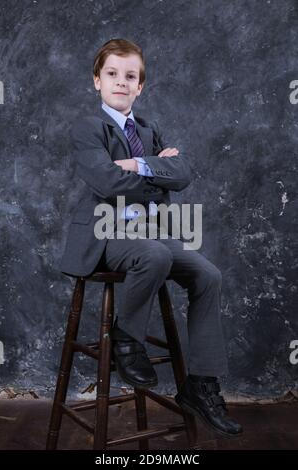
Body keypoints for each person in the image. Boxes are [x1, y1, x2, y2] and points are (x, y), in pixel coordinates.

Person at [59, 38, 242, 436]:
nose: (121, 82)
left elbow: (183, 174)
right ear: (97, 81)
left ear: (140, 86)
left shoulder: (147, 129)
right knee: (155, 256)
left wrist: (137, 163)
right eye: (112, 74)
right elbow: (107, 183)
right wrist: (157, 171)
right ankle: (126, 338)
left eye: (130, 76)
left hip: (148, 232)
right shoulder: (88, 128)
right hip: (105, 233)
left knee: (208, 275)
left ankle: (201, 384)